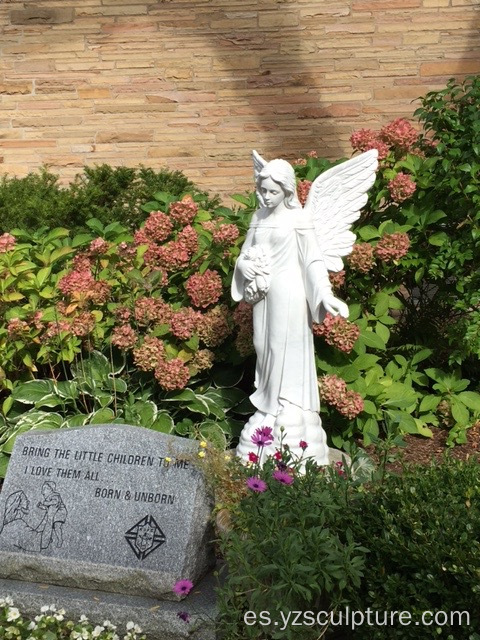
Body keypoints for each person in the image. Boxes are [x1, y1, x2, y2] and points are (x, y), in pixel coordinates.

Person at [232, 158, 348, 464]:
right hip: (264, 295)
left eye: (271, 192)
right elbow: (244, 255)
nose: (264, 197)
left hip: (291, 294)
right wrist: (246, 265)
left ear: (286, 191)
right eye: (261, 190)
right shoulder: (259, 217)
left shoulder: (299, 220)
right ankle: (269, 407)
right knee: (262, 348)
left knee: (282, 348)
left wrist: (324, 295)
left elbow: (313, 261)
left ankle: (288, 407)